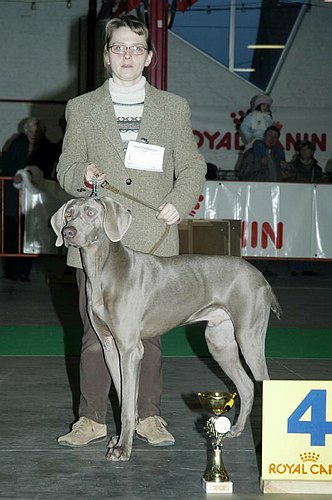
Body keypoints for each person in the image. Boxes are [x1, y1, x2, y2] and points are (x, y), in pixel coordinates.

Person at [56, 15, 206, 448]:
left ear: (149, 57)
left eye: (135, 49)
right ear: (107, 55)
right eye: (118, 47)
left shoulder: (173, 107)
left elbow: (192, 166)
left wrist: (181, 200)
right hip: (94, 240)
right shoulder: (81, 108)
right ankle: (92, 418)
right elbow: (65, 167)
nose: (127, 55)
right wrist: (80, 173)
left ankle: (148, 416)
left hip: (151, 235)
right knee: (93, 332)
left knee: (149, 335)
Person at [0, 117, 58, 281]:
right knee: (11, 233)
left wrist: (33, 176)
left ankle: (24, 271)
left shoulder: (46, 147)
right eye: (31, 131)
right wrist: (15, 176)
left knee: (31, 232)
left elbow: (47, 166)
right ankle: (11, 271)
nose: (34, 135)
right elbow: (6, 163)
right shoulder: (17, 144)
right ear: (26, 131)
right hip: (13, 197)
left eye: (37, 132)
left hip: (33, 198)